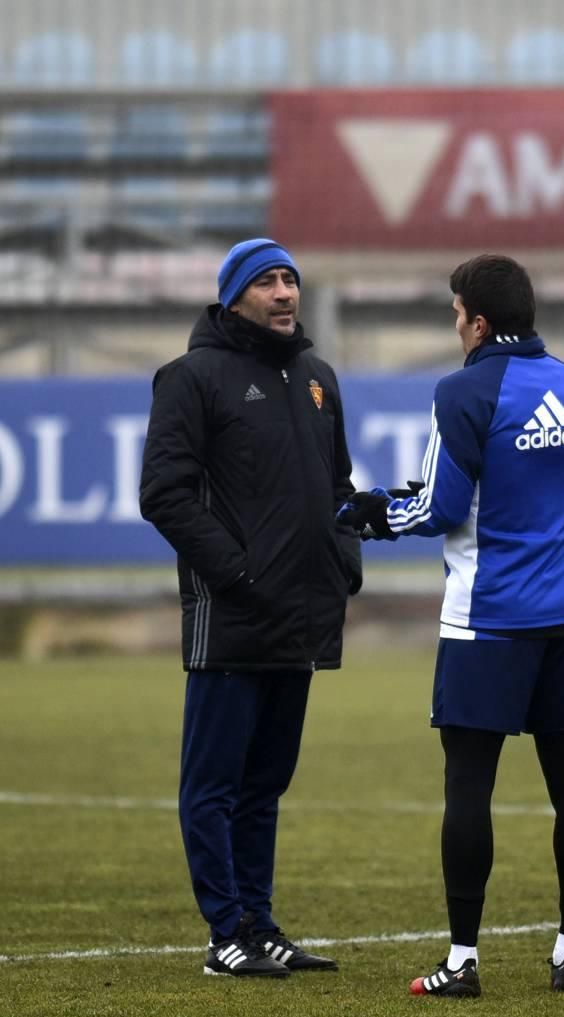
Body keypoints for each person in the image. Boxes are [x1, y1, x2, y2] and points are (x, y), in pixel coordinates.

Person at [338, 254, 564, 998]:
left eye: (456, 314)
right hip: (562, 619)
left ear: (478, 322)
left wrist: (375, 512)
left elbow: (442, 511)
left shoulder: (463, 391)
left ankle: (461, 962)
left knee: (468, 788)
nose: (455, 326)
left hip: (485, 621)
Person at [140, 238, 362, 978]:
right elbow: (163, 494)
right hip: (231, 613)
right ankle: (223, 931)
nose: (284, 293)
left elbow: (338, 487)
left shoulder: (317, 377)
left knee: (265, 785)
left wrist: (344, 563)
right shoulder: (190, 378)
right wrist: (235, 570)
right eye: (267, 281)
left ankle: (259, 925)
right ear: (233, 294)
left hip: (300, 617)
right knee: (213, 786)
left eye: (291, 280)